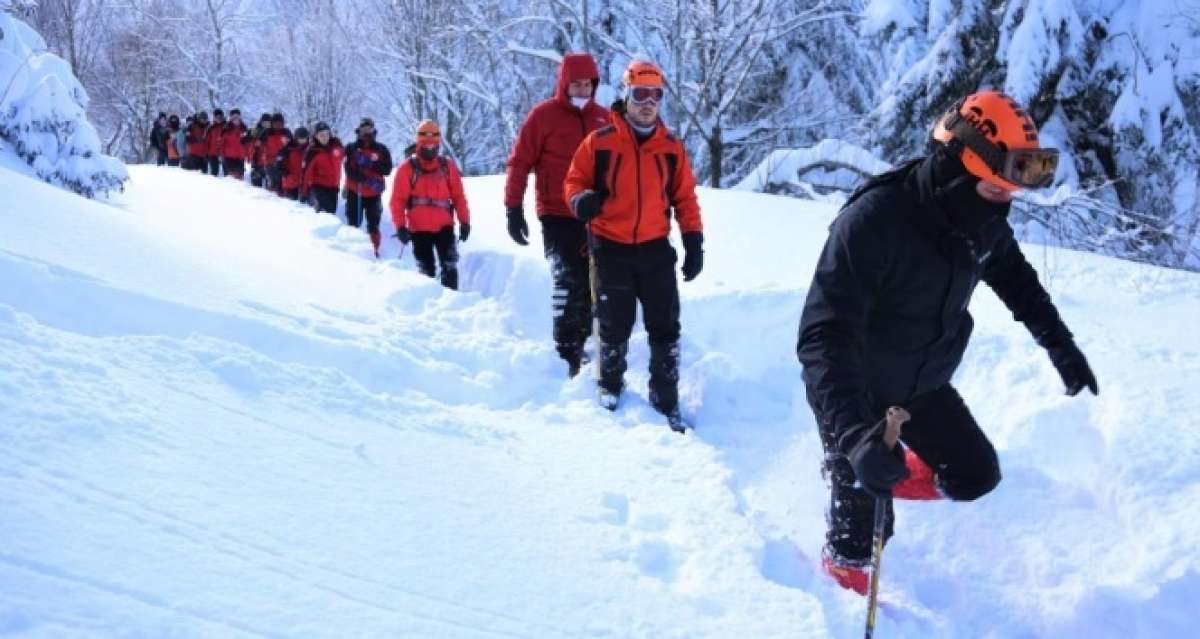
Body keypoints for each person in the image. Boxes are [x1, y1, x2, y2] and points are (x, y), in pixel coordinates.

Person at [796, 91, 1098, 595]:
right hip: (855, 389)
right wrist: (854, 438)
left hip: (923, 384)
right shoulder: (874, 221)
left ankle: (882, 477)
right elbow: (821, 338)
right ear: (958, 166)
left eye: (1012, 193)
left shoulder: (981, 219)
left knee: (975, 475)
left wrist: (1061, 347)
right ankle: (842, 570)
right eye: (997, 190)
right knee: (864, 538)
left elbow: (1015, 279)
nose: (1007, 204)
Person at [562, 60, 704, 432]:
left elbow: (685, 198)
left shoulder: (671, 148)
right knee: (614, 324)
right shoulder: (602, 142)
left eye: (655, 95)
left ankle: (665, 398)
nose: (647, 102)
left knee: (665, 326)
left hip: (656, 248)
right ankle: (610, 385)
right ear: (626, 95)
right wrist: (580, 201)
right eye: (640, 94)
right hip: (611, 247)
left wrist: (694, 241)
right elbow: (573, 182)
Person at [505, 52, 611, 377]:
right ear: (564, 84)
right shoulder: (543, 117)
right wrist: (513, 208)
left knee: (596, 282)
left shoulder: (604, 120)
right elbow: (520, 162)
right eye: (576, 84)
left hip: (597, 216)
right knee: (568, 277)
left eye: (588, 84)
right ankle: (566, 354)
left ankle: (588, 346)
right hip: (556, 212)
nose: (582, 89)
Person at [388, 120, 470, 289]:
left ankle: (452, 303)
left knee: (450, 265)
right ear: (419, 143)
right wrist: (400, 226)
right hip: (418, 229)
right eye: (426, 145)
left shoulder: (447, 166)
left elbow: (458, 196)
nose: (430, 149)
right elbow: (397, 201)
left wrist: (465, 222)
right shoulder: (407, 169)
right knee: (426, 272)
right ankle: (429, 308)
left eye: (434, 145)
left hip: (445, 227)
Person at [343, 117, 394, 257]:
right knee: (354, 222)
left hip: (374, 193)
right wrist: (357, 176)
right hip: (355, 191)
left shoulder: (382, 149)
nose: (366, 131)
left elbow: (388, 169)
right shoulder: (351, 148)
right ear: (359, 130)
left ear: (373, 129)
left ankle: (375, 250)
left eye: (369, 128)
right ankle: (353, 251)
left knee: (374, 224)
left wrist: (372, 164)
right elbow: (347, 168)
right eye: (364, 128)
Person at [302, 122, 344, 215]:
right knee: (322, 214)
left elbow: (348, 159)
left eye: (326, 134)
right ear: (316, 136)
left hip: (334, 188)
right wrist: (304, 193)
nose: (324, 137)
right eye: (321, 135)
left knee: (331, 214)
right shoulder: (312, 151)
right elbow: (306, 173)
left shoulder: (338, 147)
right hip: (318, 188)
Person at [262, 113, 292, 195]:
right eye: (276, 123)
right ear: (272, 123)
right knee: (273, 182)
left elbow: (292, 146)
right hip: (270, 162)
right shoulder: (267, 132)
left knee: (282, 184)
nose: (278, 126)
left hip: (283, 162)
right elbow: (260, 144)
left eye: (280, 123)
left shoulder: (287, 132)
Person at [276, 126, 310, 200]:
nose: (302, 141)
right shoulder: (288, 148)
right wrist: (284, 172)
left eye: (304, 138)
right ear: (296, 138)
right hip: (290, 182)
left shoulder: (310, 149)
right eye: (300, 138)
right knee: (291, 205)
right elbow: (279, 162)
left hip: (304, 183)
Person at [220, 109, 249, 180]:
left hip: (240, 157)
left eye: (237, 116)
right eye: (234, 117)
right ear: (231, 118)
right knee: (231, 178)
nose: (236, 119)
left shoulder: (244, 128)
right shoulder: (226, 128)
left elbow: (248, 144)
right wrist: (222, 155)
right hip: (228, 157)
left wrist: (248, 155)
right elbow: (221, 143)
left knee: (240, 178)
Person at [247, 113, 272, 188]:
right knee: (256, 187)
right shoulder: (255, 131)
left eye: (268, 123)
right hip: (257, 163)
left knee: (270, 188)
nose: (266, 124)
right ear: (261, 122)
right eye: (265, 122)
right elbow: (250, 145)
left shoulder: (273, 133)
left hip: (269, 164)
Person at [205, 108, 227, 176]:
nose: (218, 118)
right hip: (213, 153)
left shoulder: (227, 126)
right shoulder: (211, 127)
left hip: (224, 153)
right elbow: (207, 141)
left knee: (228, 174)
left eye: (220, 117)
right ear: (214, 117)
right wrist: (206, 153)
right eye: (216, 117)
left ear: (223, 116)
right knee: (214, 173)